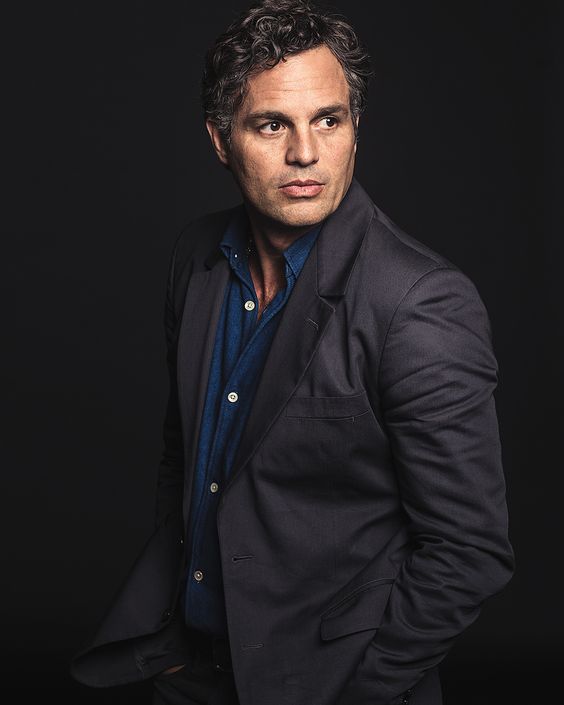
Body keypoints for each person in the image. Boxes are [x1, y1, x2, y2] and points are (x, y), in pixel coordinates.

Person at [70, 1, 515, 704]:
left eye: (328, 121)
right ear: (221, 140)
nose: (305, 153)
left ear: (355, 126)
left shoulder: (419, 302)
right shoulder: (197, 258)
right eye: (272, 124)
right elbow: (186, 458)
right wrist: (175, 642)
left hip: (331, 685)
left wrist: (361, 690)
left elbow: (469, 550)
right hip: (191, 671)